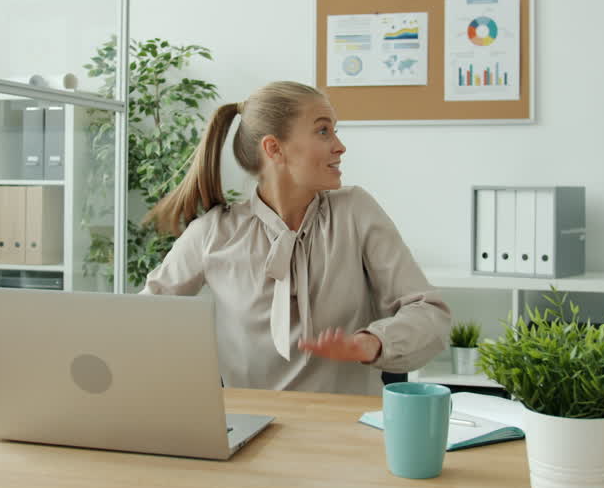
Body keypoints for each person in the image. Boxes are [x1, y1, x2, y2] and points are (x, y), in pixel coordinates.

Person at [141, 81, 450, 395]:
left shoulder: (355, 212)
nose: (340, 146)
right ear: (274, 148)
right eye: (323, 131)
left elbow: (431, 314)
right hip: (250, 431)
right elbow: (139, 321)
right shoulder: (213, 233)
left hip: (350, 431)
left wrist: (373, 342)